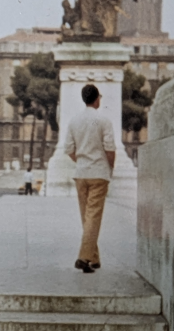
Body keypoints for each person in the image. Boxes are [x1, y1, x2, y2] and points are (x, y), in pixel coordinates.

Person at [64, 84, 116, 273]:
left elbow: (69, 149)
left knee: (87, 217)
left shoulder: (74, 121)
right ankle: (84, 257)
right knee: (93, 217)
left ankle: (94, 258)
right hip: (99, 173)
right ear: (97, 99)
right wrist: (111, 166)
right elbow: (110, 148)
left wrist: (81, 160)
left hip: (81, 173)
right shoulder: (103, 120)